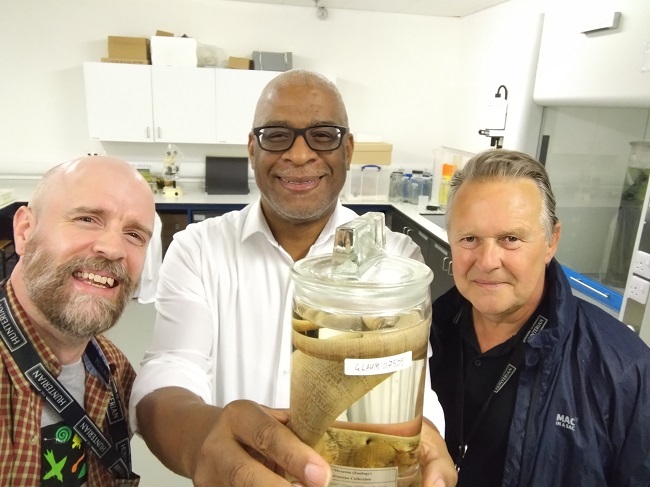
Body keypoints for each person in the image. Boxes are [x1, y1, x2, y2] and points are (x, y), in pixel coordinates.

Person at [131, 69, 457, 487]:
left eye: (322, 135)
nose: (300, 155)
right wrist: (202, 442)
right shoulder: (199, 250)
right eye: (276, 135)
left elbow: (412, 380)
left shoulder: (394, 258)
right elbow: (172, 367)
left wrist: (423, 434)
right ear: (252, 148)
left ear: (349, 149)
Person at [429, 149, 650, 486]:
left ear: (551, 242)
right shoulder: (423, 337)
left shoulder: (625, 371)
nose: (487, 261)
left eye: (511, 239)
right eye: (470, 238)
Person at [0, 156, 156, 485]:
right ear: (25, 231)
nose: (114, 248)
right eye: (87, 218)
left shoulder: (114, 370)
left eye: (134, 235)